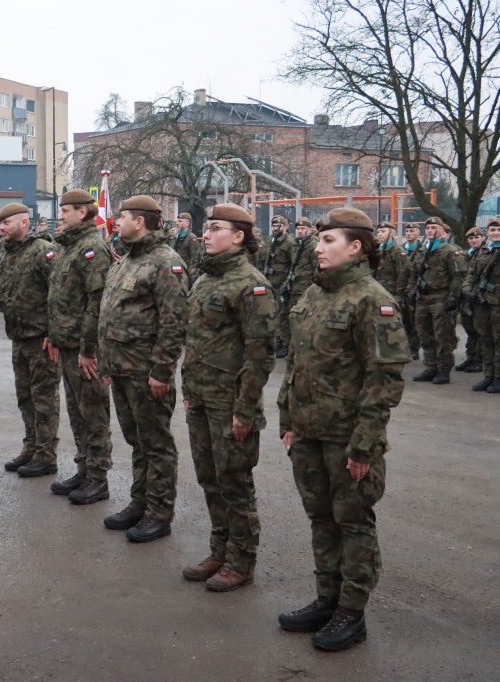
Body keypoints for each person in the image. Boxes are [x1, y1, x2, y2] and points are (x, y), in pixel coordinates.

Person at [277, 207, 409, 652]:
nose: (318, 247)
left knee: (352, 523)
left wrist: (364, 445)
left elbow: (384, 381)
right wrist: (288, 420)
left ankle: (351, 612)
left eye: (328, 240)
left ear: (356, 247)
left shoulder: (373, 300)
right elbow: (296, 364)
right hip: (308, 432)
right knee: (320, 518)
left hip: (347, 438)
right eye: (319, 239)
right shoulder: (315, 294)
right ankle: (327, 599)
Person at [181, 203, 277, 591]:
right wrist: (188, 390)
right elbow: (194, 340)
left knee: (235, 483)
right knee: (210, 480)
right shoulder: (205, 279)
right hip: (201, 398)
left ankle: (241, 561)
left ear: (238, 236)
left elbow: (260, 354)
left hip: (231, 403)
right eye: (206, 228)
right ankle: (219, 551)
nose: (206, 234)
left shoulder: (252, 285)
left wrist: (245, 408)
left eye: (215, 228)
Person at [98, 196, 188, 542]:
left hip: (146, 371)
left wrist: (162, 371)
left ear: (139, 221)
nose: (116, 222)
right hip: (121, 368)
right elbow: (111, 314)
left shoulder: (166, 262)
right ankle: (140, 503)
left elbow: (174, 323)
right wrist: (107, 363)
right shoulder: (125, 261)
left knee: (156, 444)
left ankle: (159, 513)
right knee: (137, 441)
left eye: (121, 217)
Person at [0, 203, 59, 477]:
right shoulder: (4, 253)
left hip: (41, 340)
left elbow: (59, 294)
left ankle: (46, 456)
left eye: (5, 223)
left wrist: (54, 334)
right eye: (0, 224)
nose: (1, 229)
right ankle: (30, 448)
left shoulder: (43, 251)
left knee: (44, 400)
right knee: (25, 398)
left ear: (23, 223)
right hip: (19, 338)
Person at [46, 190, 114, 504]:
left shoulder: (92, 248)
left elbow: (96, 304)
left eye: (66, 211)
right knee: (77, 411)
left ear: (82, 213)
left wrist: (89, 350)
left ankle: (98, 478)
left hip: (84, 350)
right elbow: (61, 298)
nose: (60, 216)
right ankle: (84, 469)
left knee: (93, 412)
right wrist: (53, 335)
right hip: (68, 345)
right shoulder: (69, 247)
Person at [407, 216, 461, 384]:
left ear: (442, 230)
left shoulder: (448, 250)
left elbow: (457, 276)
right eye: (428, 228)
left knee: (442, 335)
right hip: (422, 298)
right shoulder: (422, 250)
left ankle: (443, 369)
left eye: (434, 228)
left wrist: (453, 298)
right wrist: (410, 292)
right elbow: (413, 273)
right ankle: (431, 367)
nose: (430, 231)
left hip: (440, 297)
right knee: (425, 335)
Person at [464, 217, 500, 392]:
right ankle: (488, 375)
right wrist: (467, 289)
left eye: (499, 230)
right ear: (488, 233)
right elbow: (471, 274)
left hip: (497, 303)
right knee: (485, 339)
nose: (496, 233)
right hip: (482, 302)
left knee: (498, 340)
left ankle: (498, 378)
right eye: (492, 230)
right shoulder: (483, 251)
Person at [264, 215, 298, 357]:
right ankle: (275, 342)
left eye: (279, 226)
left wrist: (287, 283)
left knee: (282, 316)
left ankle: (285, 344)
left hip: (281, 284)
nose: (275, 228)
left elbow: (293, 264)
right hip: (270, 282)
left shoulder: (289, 242)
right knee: (272, 313)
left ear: (286, 227)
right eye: (274, 226)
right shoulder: (271, 240)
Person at [281, 217, 318, 335]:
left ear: (310, 229)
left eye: (303, 228)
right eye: (298, 228)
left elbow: (317, 270)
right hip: (293, 288)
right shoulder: (296, 244)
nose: (300, 231)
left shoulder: (313, 246)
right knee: (288, 317)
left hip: (305, 289)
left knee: (301, 320)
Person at [455, 227, 484, 373]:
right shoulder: (464, 255)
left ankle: (479, 360)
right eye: (471, 238)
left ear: (482, 238)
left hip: (480, 298)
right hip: (465, 297)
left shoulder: (486, 254)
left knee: (480, 330)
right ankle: (470, 357)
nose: (474, 241)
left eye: (476, 238)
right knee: (469, 329)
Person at [401, 223, 424, 359]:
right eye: (407, 231)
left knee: (413, 320)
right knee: (403, 320)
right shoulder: (401, 249)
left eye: (412, 231)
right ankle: (405, 346)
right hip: (401, 288)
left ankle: (414, 347)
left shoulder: (422, 250)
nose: (409, 233)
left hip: (415, 290)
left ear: (418, 233)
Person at [170, 212, 204, 282]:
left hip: (185, 273)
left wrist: (190, 273)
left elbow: (195, 258)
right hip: (175, 270)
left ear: (187, 223)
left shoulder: (191, 237)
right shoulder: (176, 236)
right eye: (177, 221)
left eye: (180, 221)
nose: (177, 223)